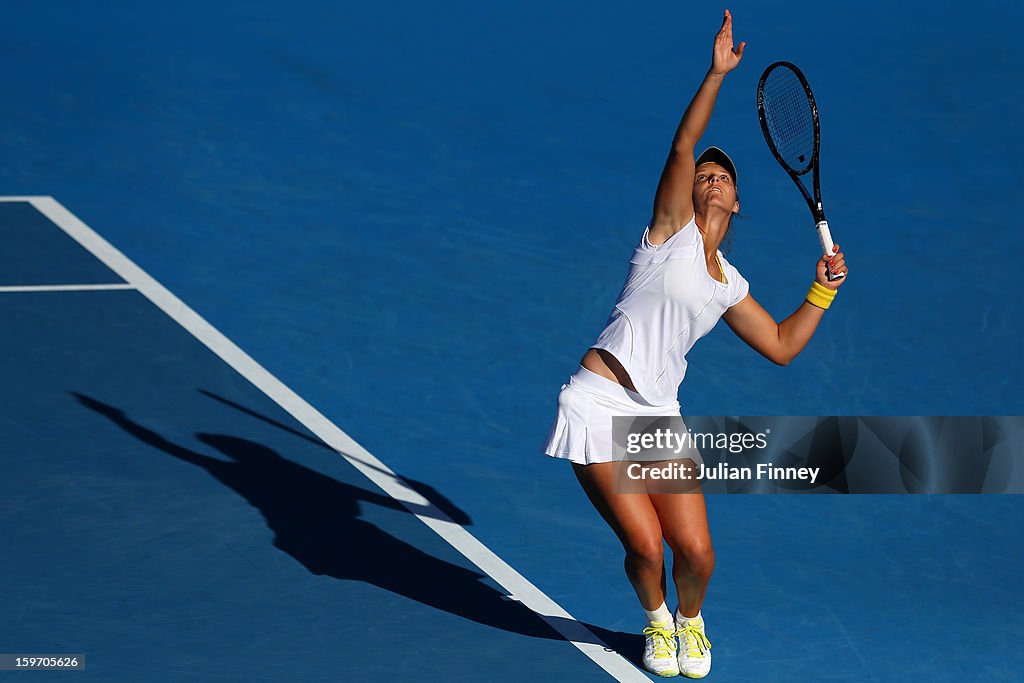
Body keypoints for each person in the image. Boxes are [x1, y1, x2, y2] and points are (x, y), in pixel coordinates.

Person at [541, 9, 848, 679]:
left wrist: (821, 290)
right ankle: (656, 620)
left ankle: (690, 621)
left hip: (656, 419)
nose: (711, 176)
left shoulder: (728, 283)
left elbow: (781, 344)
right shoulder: (667, 233)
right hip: (597, 402)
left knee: (697, 553)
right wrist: (715, 75)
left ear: (736, 202)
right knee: (646, 546)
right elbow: (683, 146)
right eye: (705, 173)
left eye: (724, 176)